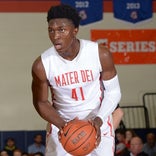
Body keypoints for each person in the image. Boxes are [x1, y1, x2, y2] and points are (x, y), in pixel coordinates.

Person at [31, 4, 121, 156]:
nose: (55, 36)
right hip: (62, 125)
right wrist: (64, 126)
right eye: (51, 30)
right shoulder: (42, 65)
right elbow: (40, 102)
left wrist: (98, 121)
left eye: (61, 30)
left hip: (99, 121)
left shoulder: (100, 54)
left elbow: (113, 92)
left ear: (75, 30)